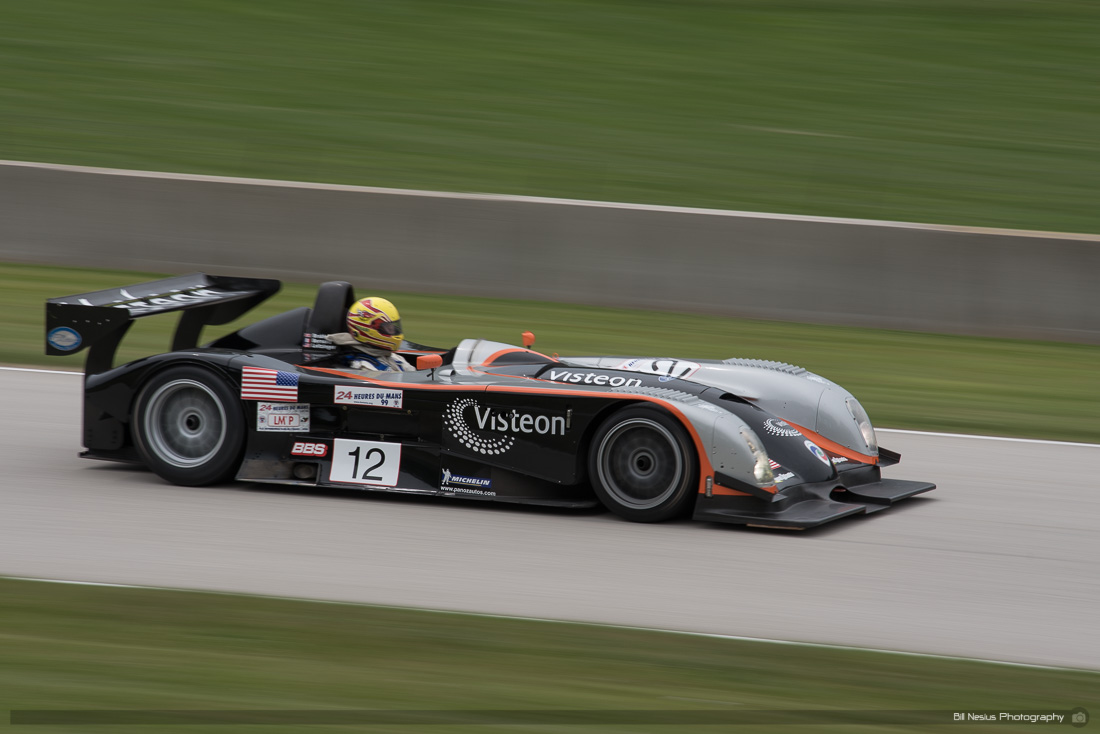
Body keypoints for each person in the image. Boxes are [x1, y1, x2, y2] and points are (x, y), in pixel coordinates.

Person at [327, 296, 414, 372]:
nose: (393, 330)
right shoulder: (364, 366)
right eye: (387, 327)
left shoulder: (394, 357)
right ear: (368, 329)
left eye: (392, 326)